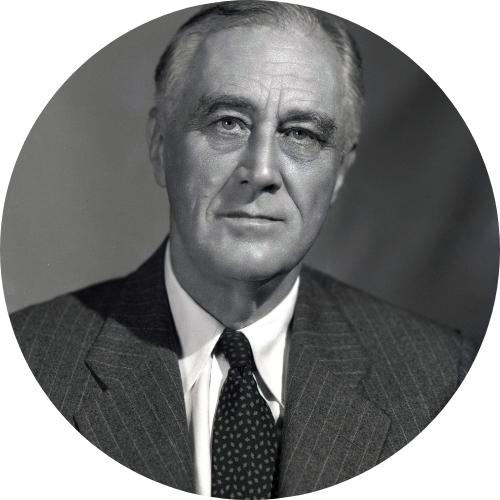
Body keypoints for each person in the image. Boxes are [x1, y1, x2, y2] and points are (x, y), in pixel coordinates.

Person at [8, 1, 480, 499]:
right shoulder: (26, 365)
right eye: (228, 122)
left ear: (340, 172)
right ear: (160, 146)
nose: (262, 171)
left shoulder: (443, 381)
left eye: (301, 134)